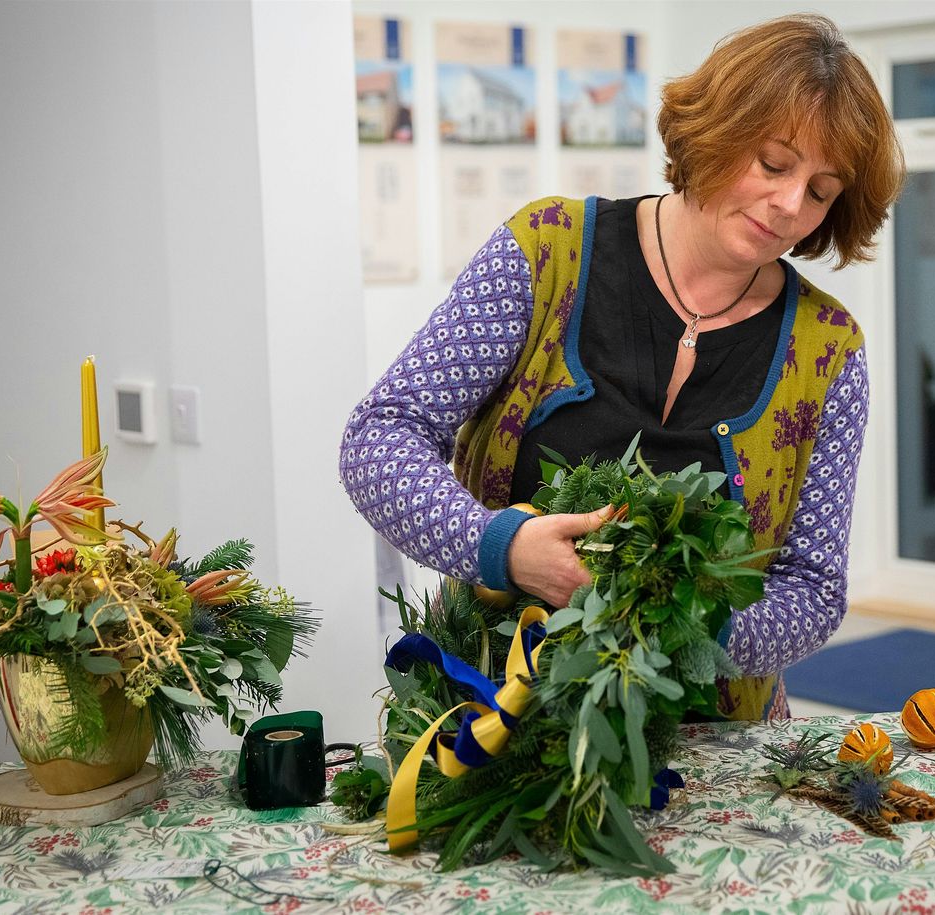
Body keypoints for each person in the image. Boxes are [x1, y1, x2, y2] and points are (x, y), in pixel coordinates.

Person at [340, 14, 904, 720]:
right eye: (773, 163)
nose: (791, 205)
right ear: (716, 131)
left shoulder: (828, 351)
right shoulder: (546, 253)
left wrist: (694, 629)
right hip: (494, 723)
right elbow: (380, 437)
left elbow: (814, 587)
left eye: (821, 191)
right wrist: (504, 548)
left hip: (716, 747)